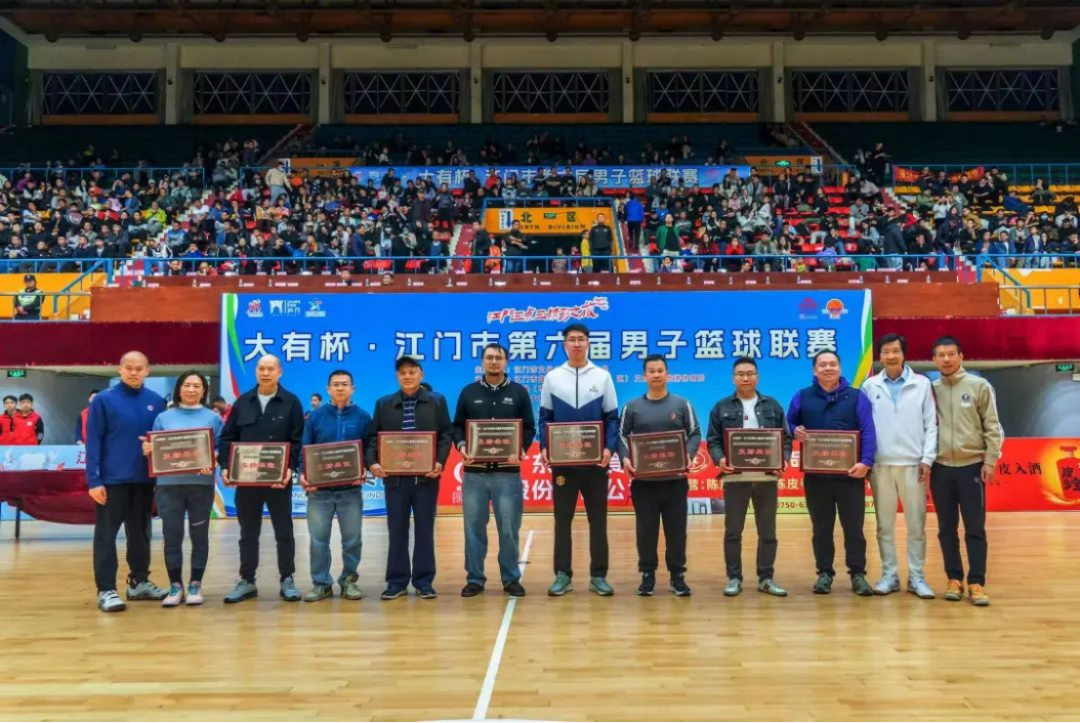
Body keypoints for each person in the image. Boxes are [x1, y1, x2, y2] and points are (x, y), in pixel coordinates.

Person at [538, 323, 619, 597]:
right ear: (564, 345)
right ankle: (563, 575)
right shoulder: (552, 378)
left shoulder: (602, 377)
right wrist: (545, 446)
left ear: (588, 343)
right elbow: (545, 419)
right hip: (564, 466)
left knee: (598, 521)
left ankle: (598, 576)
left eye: (581, 339)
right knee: (562, 521)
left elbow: (612, 418)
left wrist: (608, 448)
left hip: (595, 464)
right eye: (571, 339)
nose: (576, 343)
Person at [787, 350, 877, 596]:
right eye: (823, 364)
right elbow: (788, 423)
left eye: (833, 364)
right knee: (821, 530)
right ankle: (824, 574)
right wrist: (795, 431)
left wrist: (866, 462)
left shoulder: (857, 397)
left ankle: (858, 575)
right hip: (816, 479)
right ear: (814, 370)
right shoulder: (802, 396)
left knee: (854, 530)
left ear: (840, 367)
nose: (828, 368)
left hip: (851, 476)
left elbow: (868, 430)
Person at [218, 354, 305, 604]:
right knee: (248, 533)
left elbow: (297, 440)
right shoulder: (242, 402)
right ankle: (247, 580)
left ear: (280, 372)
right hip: (247, 482)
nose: (265, 373)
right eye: (261, 368)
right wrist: (225, 467)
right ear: (256, 371)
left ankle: (287, 579)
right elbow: (228, 438)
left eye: (270, 369)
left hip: (278, 481)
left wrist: (290, 468)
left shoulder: (291, 402)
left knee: (284, 531)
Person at [86, 351, 168, 613]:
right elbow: (93, 441)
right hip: (111, 481)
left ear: (147, 371)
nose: (134, 372)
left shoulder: (157, 402)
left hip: (144, 480)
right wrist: (94, 480)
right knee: (106, 535)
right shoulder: (103, 400)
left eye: (139, 368)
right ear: (120, 369)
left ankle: (139, 582)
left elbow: (162, 440)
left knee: (141, 533)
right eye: (129, 368)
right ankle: (106, 589)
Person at [452, 343, 535, 598]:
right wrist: (462, 445)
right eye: (489, 357)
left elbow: (529, 428)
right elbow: (457, 426)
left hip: (507, 473)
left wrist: (521, 448)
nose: (494, 362)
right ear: (482, 362)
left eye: (498, 358)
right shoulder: (469, 392)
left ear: (506, 361)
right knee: (473, 528)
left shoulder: (519, 392)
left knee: (509, 528)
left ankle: (511, 579)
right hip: (475, 473)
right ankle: (475, 579)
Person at [366, 356, 453, 600]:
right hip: (395, 480)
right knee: (397, 531)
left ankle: (424, 582)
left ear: (421, 375)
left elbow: (446, 434)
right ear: (397, 376)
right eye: (403, 373)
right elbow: (373, 437)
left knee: (425, 530)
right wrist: (372, 463)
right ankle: (396, 582)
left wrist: (440, 461)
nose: (408, 376)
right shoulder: (384, 404)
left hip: (426, 478)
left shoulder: (436, 401)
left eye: (412, 372)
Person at [706, 356, 792, 597]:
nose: (745, 378)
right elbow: (713, 440)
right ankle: (734, 578)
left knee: (768, 532)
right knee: (733, 531)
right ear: (733, 378)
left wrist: (783, 460)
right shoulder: (721, 407)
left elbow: (786, 439)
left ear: (757, 377)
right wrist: (720, 459)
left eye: (750, 373)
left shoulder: (772, 405)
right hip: (736, 478)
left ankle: (766, 578)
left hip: (766, 478)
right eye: (740, 374)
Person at [861, 334, 938, 599]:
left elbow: (931, 424)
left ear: (903, 354)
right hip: (880, 466)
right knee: (884, 526)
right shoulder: (869, 386)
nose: (891, 356)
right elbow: (864, 426)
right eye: (886, 351)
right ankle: (889, 576)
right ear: (879, 356)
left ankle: (917, 577)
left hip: (913, 465)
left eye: (895, 351)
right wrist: (866, 460)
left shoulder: (922, 384)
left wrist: (927, 459)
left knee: (916, 525)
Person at [617, 355, 701, 597]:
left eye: (660, 370)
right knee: (646, 531)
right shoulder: (632, 407)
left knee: (676, 530)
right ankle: (647, 575)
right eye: (651, 371)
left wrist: (688, 454)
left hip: (675, 482)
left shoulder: (682, 404)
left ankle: (677, 576)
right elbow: (621, 436)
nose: (656, 374)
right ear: (644, 376)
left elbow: (695, 433)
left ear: (667, 374)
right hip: (643, 483)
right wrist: (625, 459)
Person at [930, 336, 1003, 607]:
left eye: (951, 354)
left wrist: (990, 461)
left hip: (972, 467)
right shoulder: (930, 390)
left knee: (974, 528)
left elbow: (992, 426)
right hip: (940, 469)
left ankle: (976, 582)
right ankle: (954, 579)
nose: (946, 359)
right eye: (941, 355)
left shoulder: (979, 386)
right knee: (946, 528)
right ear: (934, 360)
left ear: (961, 356)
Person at [141, 371, 223, 607]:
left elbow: (220, 449)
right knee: (172, 536)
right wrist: (149, 450)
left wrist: (213, 459)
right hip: (169, 486)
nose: (191, 389)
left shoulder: (214, 418)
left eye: (197, 385)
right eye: (187, 385)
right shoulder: (163, 417)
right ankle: (175, 585)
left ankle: (196, 584)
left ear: (204, 391)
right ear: (179, 389)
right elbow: (156, 447)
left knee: (199, 536)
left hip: (201, 486)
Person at [299, 369, 372, 602]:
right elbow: (304, 449)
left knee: (352, 540)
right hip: (319, 492)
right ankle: (321, 584)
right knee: (318, 540)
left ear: (353, 388)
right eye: (335, 384)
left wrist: (365, 467)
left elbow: (370, 449)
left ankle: (349, 581)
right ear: (328, 389)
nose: (340, 387)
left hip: (350, 491)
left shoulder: (363, 417)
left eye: (345, 384)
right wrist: (303, 474)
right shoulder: (315, 417)